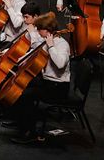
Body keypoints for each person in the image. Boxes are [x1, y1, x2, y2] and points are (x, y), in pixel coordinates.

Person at [6, 12, 70, 143]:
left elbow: (60, 64)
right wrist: (19, 60)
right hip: (47, 81)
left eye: (39, 29)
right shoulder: (47, 40)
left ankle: (30, 132)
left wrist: (51, 46)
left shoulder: (62, 44)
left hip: (58, 87)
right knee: (21, 86)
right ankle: (21, 122)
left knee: (25, 95)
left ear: (47, 30)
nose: (38, 32)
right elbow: (34, 52)